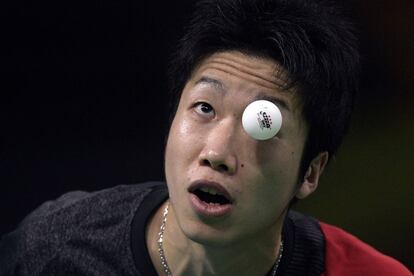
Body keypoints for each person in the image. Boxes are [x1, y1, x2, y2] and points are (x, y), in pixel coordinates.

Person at [0, 0, 411, 275]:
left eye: (262, 125)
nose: (217, 153)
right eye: (204, 108)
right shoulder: (53, 250)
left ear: (310, 172)